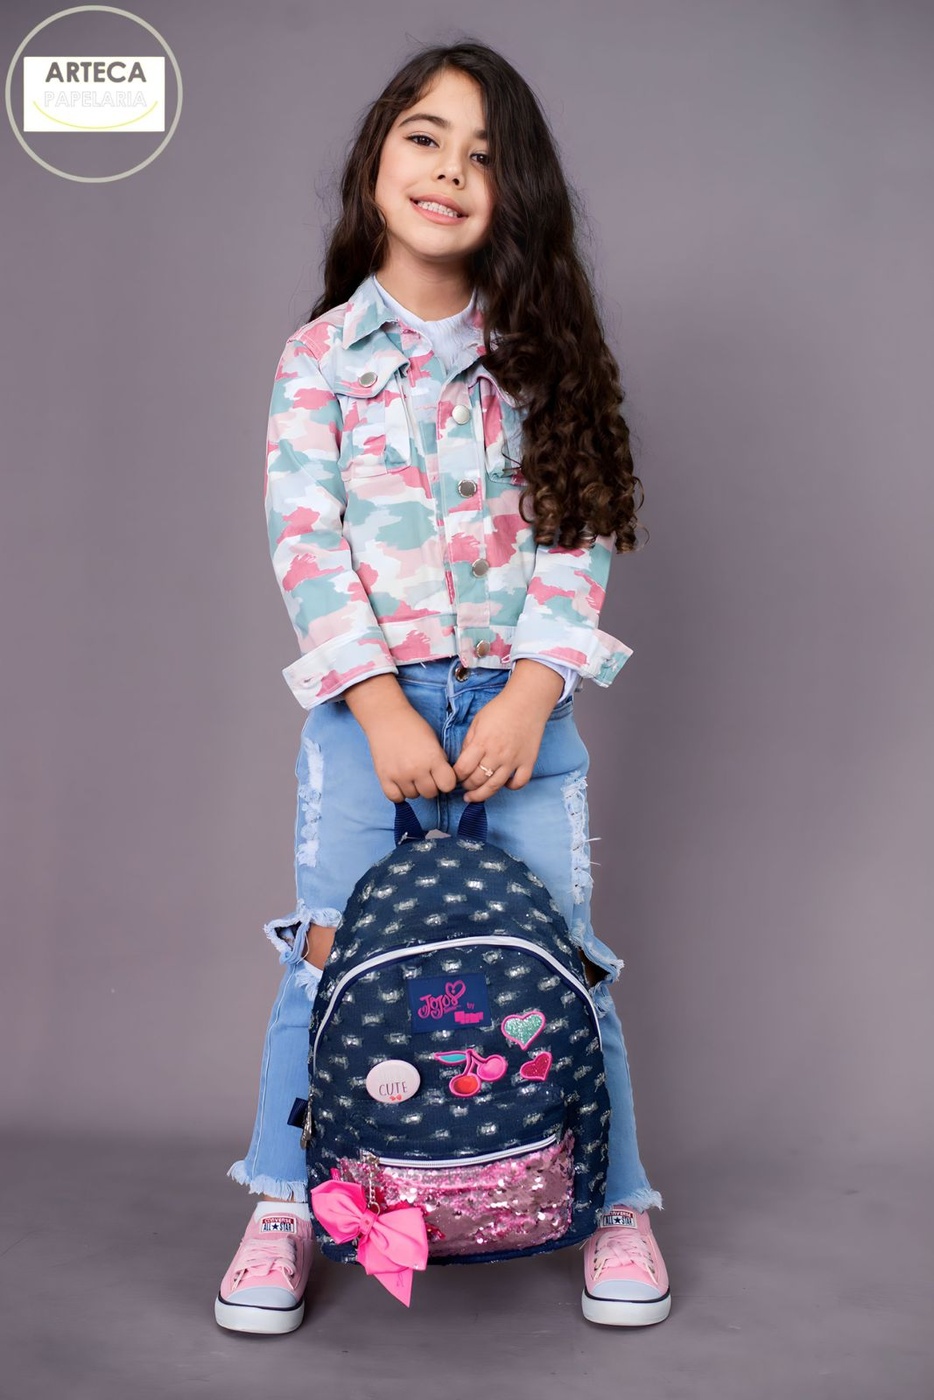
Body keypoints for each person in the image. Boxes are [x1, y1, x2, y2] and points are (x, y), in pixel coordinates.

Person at [216, 39, 670, 1335]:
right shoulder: (318, 359)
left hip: (523, 707)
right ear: (377, 156)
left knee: (566, 960)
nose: (450, 171)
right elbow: (306, 546)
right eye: (426, 137)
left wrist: (530, 693)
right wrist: (377, 706)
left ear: (512, 193)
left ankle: (612, 1200)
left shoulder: (540, 355)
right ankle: (285, 1204)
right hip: (370, 716)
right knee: (324, 956)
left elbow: (577, 536)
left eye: (483, 155)